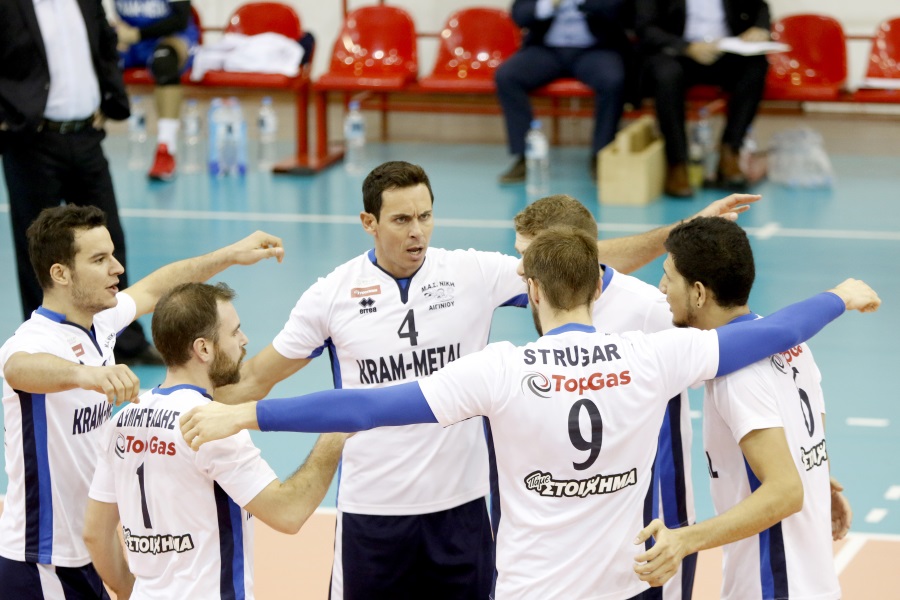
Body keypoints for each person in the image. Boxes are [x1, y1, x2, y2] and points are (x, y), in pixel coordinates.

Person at [180, 227, 879, 599]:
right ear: (599, 289)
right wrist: (837, 298)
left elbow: (367, 405)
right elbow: (764, 334)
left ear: (533, 293)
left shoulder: (502, 371)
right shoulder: (652, 356)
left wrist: (247, 416)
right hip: (623, 588)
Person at [210, 160, 757, 598]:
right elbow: (255, 378)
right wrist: (191, 401)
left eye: (426, 216)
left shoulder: (471, 272)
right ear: (368, 223)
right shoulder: (330, 295)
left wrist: (685, 233)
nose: (417, 231)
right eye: (401, 220)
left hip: (463, 509)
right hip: (374, 512)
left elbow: (573, 263)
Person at [0, 204, 283, 599]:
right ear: (60, 274)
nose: (117, 268)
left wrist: (230, 255)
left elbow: (156, 287)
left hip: (92, 550)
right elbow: (17, 368)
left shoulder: (99, 322)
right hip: (42, 560)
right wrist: (86, 374)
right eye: (99, 259)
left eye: (112, 255)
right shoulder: (35, 340)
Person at [83, 282, 347, 599]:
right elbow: (288, 512)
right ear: (204, 349)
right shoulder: (212, 425)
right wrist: (338, 429)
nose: (244, 340)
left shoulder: (121, 421)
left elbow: (95, 534)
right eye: (234, 332)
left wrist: (131, 591)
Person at [637, 216, 850, 598]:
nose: (662, 288)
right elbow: (810, 440)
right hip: (815, 585)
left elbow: (785, 491)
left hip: (772, 588)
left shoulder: (736, 374)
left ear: (698, 293)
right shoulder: (792, 343)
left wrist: (685, 539)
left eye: (669, 277)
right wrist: (820, 481)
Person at [513, 194, 697, 599]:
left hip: (654, 520)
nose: (519, 269)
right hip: (581, 521)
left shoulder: (650, 309)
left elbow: (727, 364)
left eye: (529, 255)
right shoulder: (541, 296)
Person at [0, 0, 158, 363]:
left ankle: (123, 341)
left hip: (87, 135)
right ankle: (46, 346)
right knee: (37, 250)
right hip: (31, 140)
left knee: (109, 239)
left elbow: (104, 43)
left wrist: (110, 95)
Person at [636, 0, 771, 197]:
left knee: (756, 67)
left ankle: (730, 151)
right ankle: (677, 162)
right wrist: (687, 47)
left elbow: (760, 7)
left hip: (723, 51)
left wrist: (760, 28)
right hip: (676, 52)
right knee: (667, 76)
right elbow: (645, 28)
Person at [495, 0, 634, 183]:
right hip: (546, 50)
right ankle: (526, 155)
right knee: (507, 76)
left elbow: (622, 12)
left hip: (596, 50)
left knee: (612, 80)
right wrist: (550, 4)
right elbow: (520, 15)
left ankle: (601, 155)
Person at [115, 0, 199, 181]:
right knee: (98, 60)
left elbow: (180, 19)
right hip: (132, 42)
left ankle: (166, 147)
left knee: (164, 61)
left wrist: (138, 34)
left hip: (170, 37)